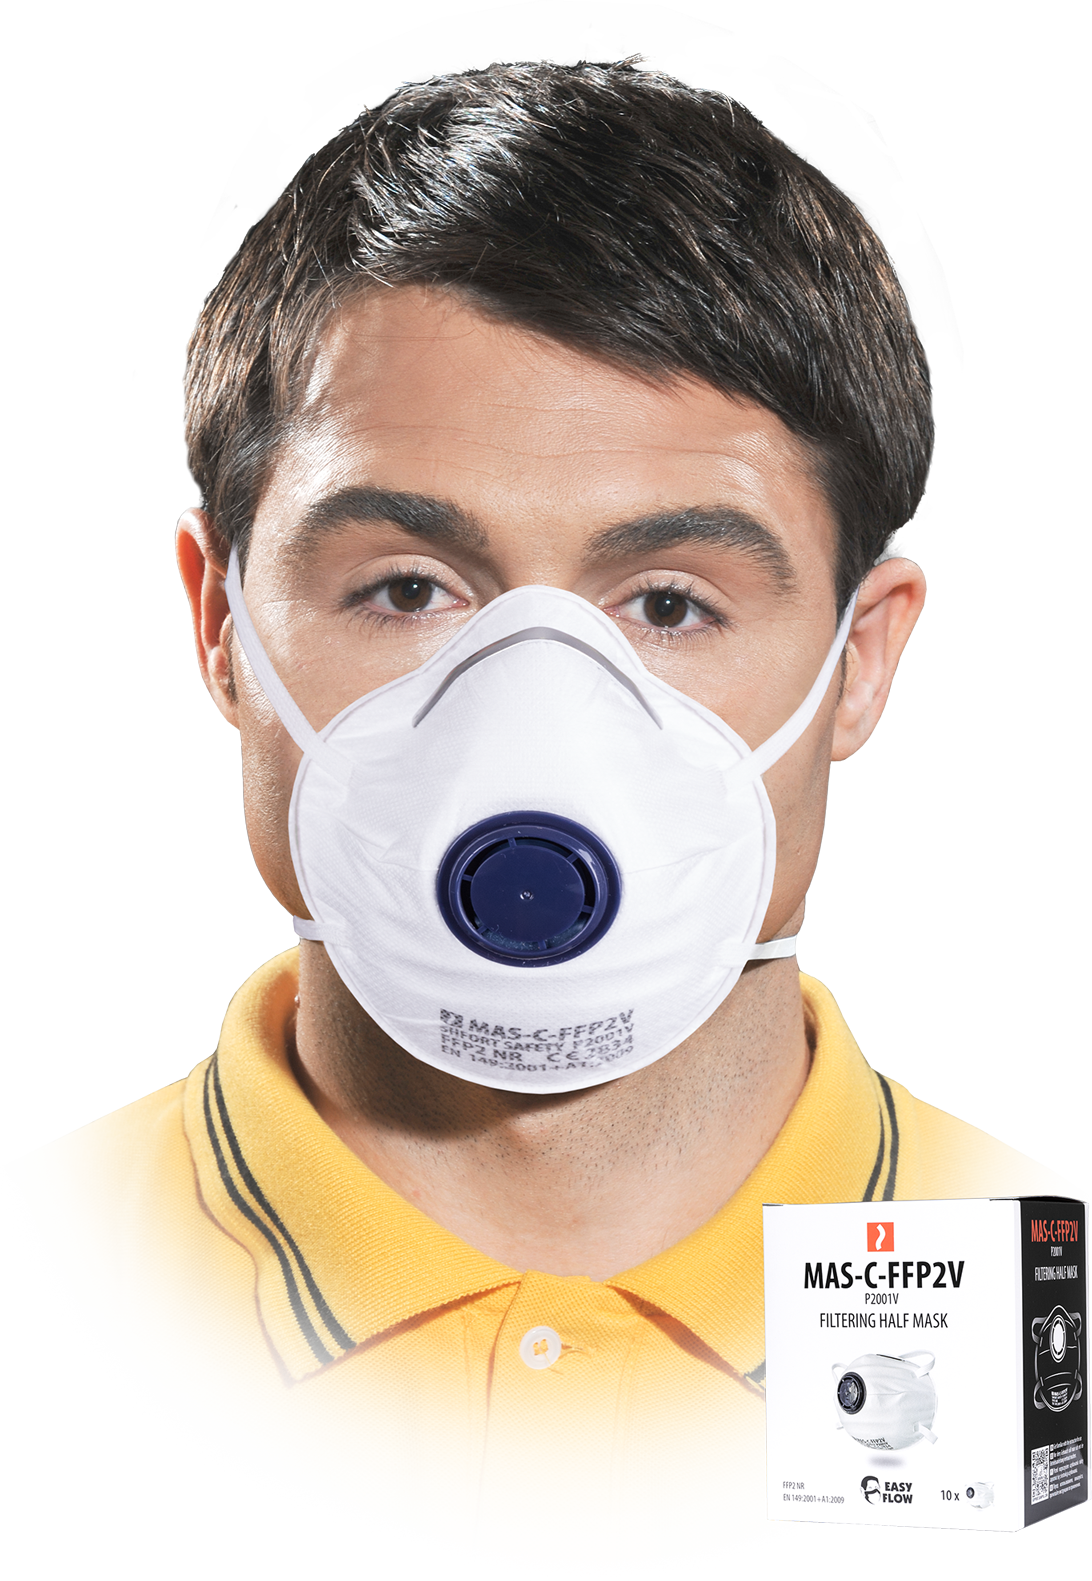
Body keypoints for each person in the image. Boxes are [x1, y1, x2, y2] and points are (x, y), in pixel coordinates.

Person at [1, 58, 1078, 1578]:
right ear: (219, 622)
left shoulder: (1059, 1355)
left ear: (862, 668)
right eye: (408, 587)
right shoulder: (25, 1312)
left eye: (669, 603)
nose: (537, 721)